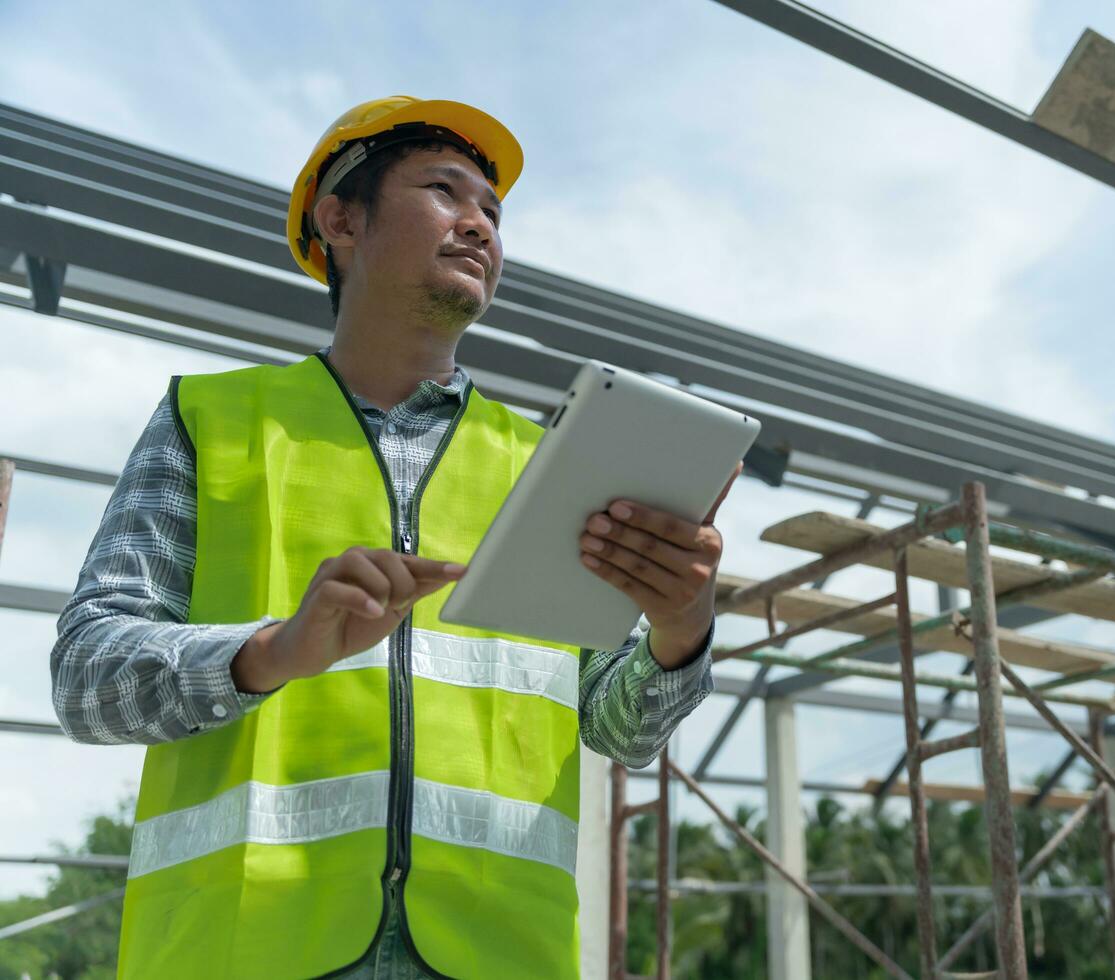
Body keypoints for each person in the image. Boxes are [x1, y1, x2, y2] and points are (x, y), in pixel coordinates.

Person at [50, 96, 734, 979]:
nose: (480, 226)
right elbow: (86, 680)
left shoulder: (545, 463)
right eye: (446, 191)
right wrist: (271, 650)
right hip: (245, 945)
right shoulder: (210, 422)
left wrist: (682, 634)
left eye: (492, 211)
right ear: (340, 218)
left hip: (497, 955)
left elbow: (617, 725)